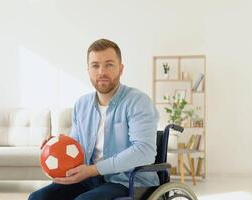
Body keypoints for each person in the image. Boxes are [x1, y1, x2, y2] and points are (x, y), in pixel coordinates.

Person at [28, 38, 159, 200]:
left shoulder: (138, 102)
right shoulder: (82, 104)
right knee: (38, 198)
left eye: (109, 64)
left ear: (121, 69)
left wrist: (93, 170)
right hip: (89, 178)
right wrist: (56, 147)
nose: (101, 72)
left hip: (128, 181)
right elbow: (75, 149)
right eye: (95, 65)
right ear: (88, 70)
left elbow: (144, 151)